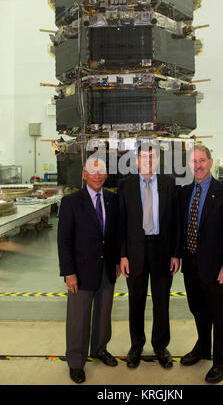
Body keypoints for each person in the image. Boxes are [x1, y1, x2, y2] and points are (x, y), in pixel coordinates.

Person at [179, 144, 223, 384]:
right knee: (198, 310)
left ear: (211, 162)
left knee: (220, 315)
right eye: (194, 162)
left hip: (217, 269)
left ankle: (221, 361)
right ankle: (203, 348)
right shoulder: (186, 193)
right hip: (192, 265)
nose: (198, 165)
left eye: (201, 161)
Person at [57, 157, 120, 384]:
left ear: (106, 175)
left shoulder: (113, 200)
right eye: (93, 172)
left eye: (101, 171)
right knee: (78, 319)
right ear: (84, 175)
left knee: (104, 315)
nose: (97, 175)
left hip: (107, 270)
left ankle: (100, 349)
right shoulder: (71, 202)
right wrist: (69, 272)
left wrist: (116, 261)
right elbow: (63, 241)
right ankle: (76, 361)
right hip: (80, 272)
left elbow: (115, 235)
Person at [118, 142, 180, 369]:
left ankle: (161, 346)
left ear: (158, 161)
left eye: (152, 157)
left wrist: (175, 253)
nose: (148, 161)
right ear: (136, 160)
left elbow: (175, 222)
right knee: (136, 302)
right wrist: (123, 255)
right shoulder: (125, 186)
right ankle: (136, 345)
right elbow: (121, 224)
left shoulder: (168, 184)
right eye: (144, 157)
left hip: (162, 251)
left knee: (161, 302)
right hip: (134, 252)